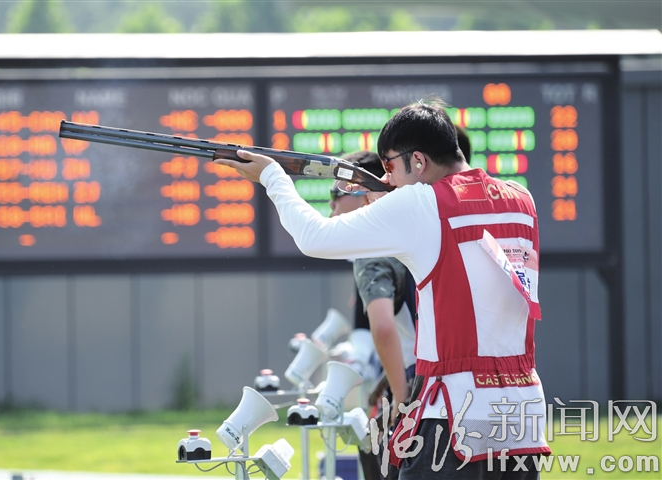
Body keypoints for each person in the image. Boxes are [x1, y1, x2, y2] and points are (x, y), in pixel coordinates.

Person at [214, 99, 550, 478]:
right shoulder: (521, 200)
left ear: (418, 161)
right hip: (522, 414)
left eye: (389, 165)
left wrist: (273, 177)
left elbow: (314, 238)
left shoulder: (423, 203)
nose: (387, 178)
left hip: (453, 415)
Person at [330, 151, 417, 480]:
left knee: (373, 444)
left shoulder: (373, 247)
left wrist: (401, 396)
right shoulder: (421, 229)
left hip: (424, 389)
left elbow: (384, 328)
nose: (332, 208)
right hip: (489, 387)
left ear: (364, 190)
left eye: (336, 194)